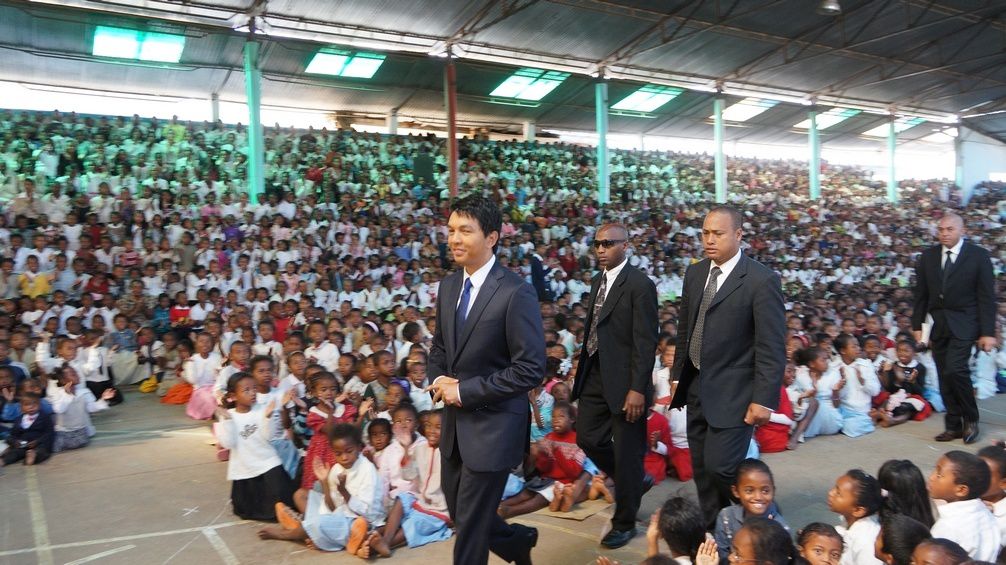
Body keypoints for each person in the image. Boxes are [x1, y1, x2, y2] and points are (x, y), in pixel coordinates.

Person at [426, 195, 544, 565]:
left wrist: (464, 390)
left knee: (470, 532)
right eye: (451, 230)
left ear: (491, 237)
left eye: (465, 231)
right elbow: (440, 348)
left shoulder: (515, 291)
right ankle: (515, 541)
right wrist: (440, 379)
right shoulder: (448, 287)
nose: (454, 239)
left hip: (494, 428)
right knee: (463, 515)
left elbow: (529, 368)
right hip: (455, 429)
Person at [669, 205, 786, 528]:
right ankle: (716, 532)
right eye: (705, 233)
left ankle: (763, 519)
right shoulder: (695, 273)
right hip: (695, 388)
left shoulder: (761, 280)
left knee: (722, 467)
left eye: (717, 234)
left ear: (738, 234)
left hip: (735, 393)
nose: (709, 240)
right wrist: (678, 375)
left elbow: (771, 345)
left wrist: (764, 398)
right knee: (703, 471)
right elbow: (685, 329)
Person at [571, 222, 658, 548]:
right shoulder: (597, 281)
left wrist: (637, 388)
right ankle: (633, 481)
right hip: (594, 374)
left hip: (626, 383)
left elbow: (646, 341)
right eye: (597, 244)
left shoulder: (640, 284)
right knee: (588, 438)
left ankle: (624, 523)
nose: (601, 249)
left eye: (608, 243)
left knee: (627, 452)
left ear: (626, 245)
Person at [912, 212, 997, 444]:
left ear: (962, 230)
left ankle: (970, 419)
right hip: (938, 324)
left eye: (949, 229)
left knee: (955, 369)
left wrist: (988, 332)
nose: (944, 234)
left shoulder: (978, 256)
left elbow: (987, 297)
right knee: (943, 375)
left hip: (966, 323)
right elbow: (920, 295)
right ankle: (953, 425)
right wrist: (917, 326)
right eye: (941, 229)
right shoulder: (928, 257)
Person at [213, 372, 293, 521]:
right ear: (233, 395)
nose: (253, 393)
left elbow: (269, 437)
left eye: (254, 389)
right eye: (246, 390)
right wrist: (228, 421)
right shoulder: (228, 415)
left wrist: (268, 417)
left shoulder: (262, 409)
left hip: (268, 462)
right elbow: (228, 443)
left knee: (283, 501)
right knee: (245, 509)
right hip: (245, 466)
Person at [927, 450, 1001, 561]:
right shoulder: (986, 513)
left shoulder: (947, 528)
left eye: (939, 474)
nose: (931, 477)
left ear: (961, 490)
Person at [713, 459, 790, 561]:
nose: (758, 497)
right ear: (736, 491)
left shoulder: (780, 528)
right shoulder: (726, 517)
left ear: (773, 491)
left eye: (765, 491)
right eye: (749, 491)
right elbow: (722, 555)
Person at [828, 469, 884, 565]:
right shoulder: (849, 521)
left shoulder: (866, 542)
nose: (831, 493)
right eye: (835, 488)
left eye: (838, 493)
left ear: (858, 510)